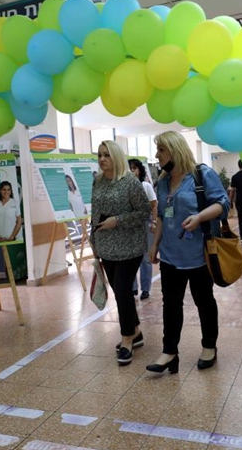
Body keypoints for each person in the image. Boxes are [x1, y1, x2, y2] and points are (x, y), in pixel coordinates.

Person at [148, 131, 229, 374]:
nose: (157, 155)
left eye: (161, 149)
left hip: (199, 254)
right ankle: (169, 351)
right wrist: (154, 245)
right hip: (170, 255)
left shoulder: (201, 175)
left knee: (203, 301)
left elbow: (222, 204)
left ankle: (209, 347)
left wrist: (199, 217)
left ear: (175, 149)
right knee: (170, 305)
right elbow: (163, 215)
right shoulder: (162, 181)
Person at [89, 140, 150, 366]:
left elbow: (144, 212)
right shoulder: (98, 181)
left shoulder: (130, 182)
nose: (102, 159)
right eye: (99, 155)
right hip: (106, 246)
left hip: (129, 246)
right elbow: (95, 212)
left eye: (107, 154)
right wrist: (92, 237)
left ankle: (126, 340)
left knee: (123, 290)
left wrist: (118, 221)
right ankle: (135, 331)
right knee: (119, 290)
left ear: (116, 156)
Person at [128, 158, 158, 300]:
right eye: (129, 168)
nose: (131, 171)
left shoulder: (145, 185)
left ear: (140, 170)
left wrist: (153, 222)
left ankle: (145, 289)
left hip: (145, 223)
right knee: (131, 256)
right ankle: (133, 287)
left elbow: (154, 205)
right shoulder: (124, 187)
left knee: (145, 258)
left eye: (134, 168)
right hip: (130, 225)